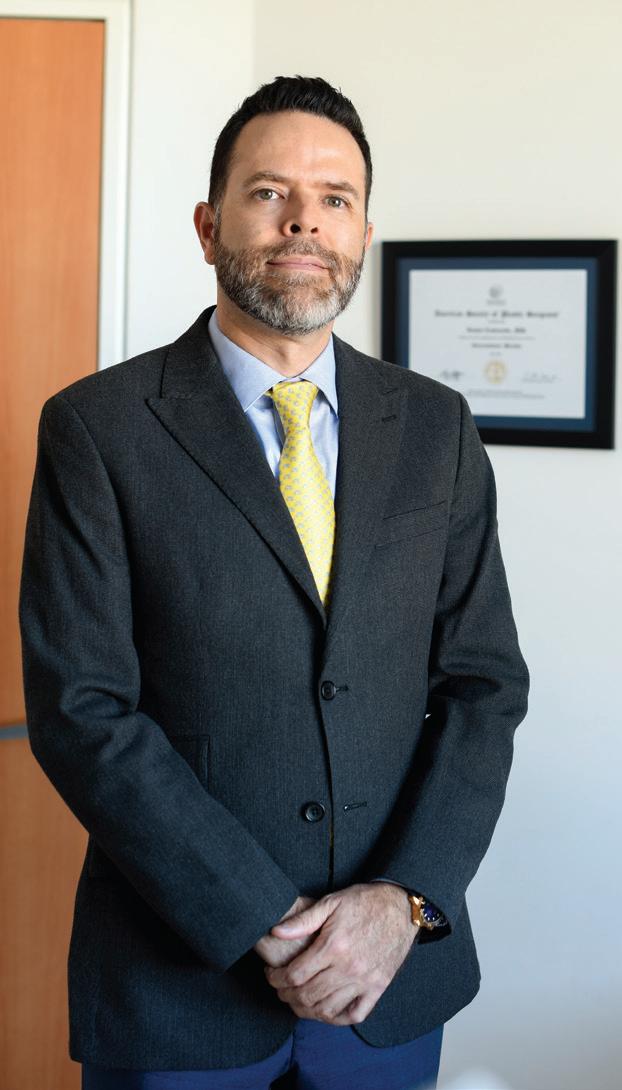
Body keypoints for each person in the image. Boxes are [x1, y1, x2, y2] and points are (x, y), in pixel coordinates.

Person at [18, 75, 529, 1090]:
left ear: (363, 233)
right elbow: (83, 709)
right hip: (178, 984)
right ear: (208, 226)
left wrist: (406, 900)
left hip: (389, 979)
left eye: (334, 197)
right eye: (269, 192)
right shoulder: (98, 429)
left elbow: (483, 686)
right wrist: (265, 916)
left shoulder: (436, 428)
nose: (304, 220)